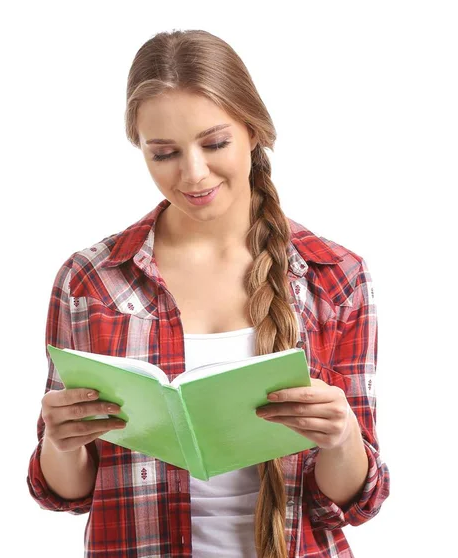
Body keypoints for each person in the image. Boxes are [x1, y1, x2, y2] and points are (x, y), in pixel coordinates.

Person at [27, 29, 390, 558]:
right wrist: (60, 443)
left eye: (214, 143)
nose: (193, 173)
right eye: (164, 153)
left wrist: (341, 438)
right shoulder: (91, 280)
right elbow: (68, 493)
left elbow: (355, 501)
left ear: (253, 131)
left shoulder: (334, 276)